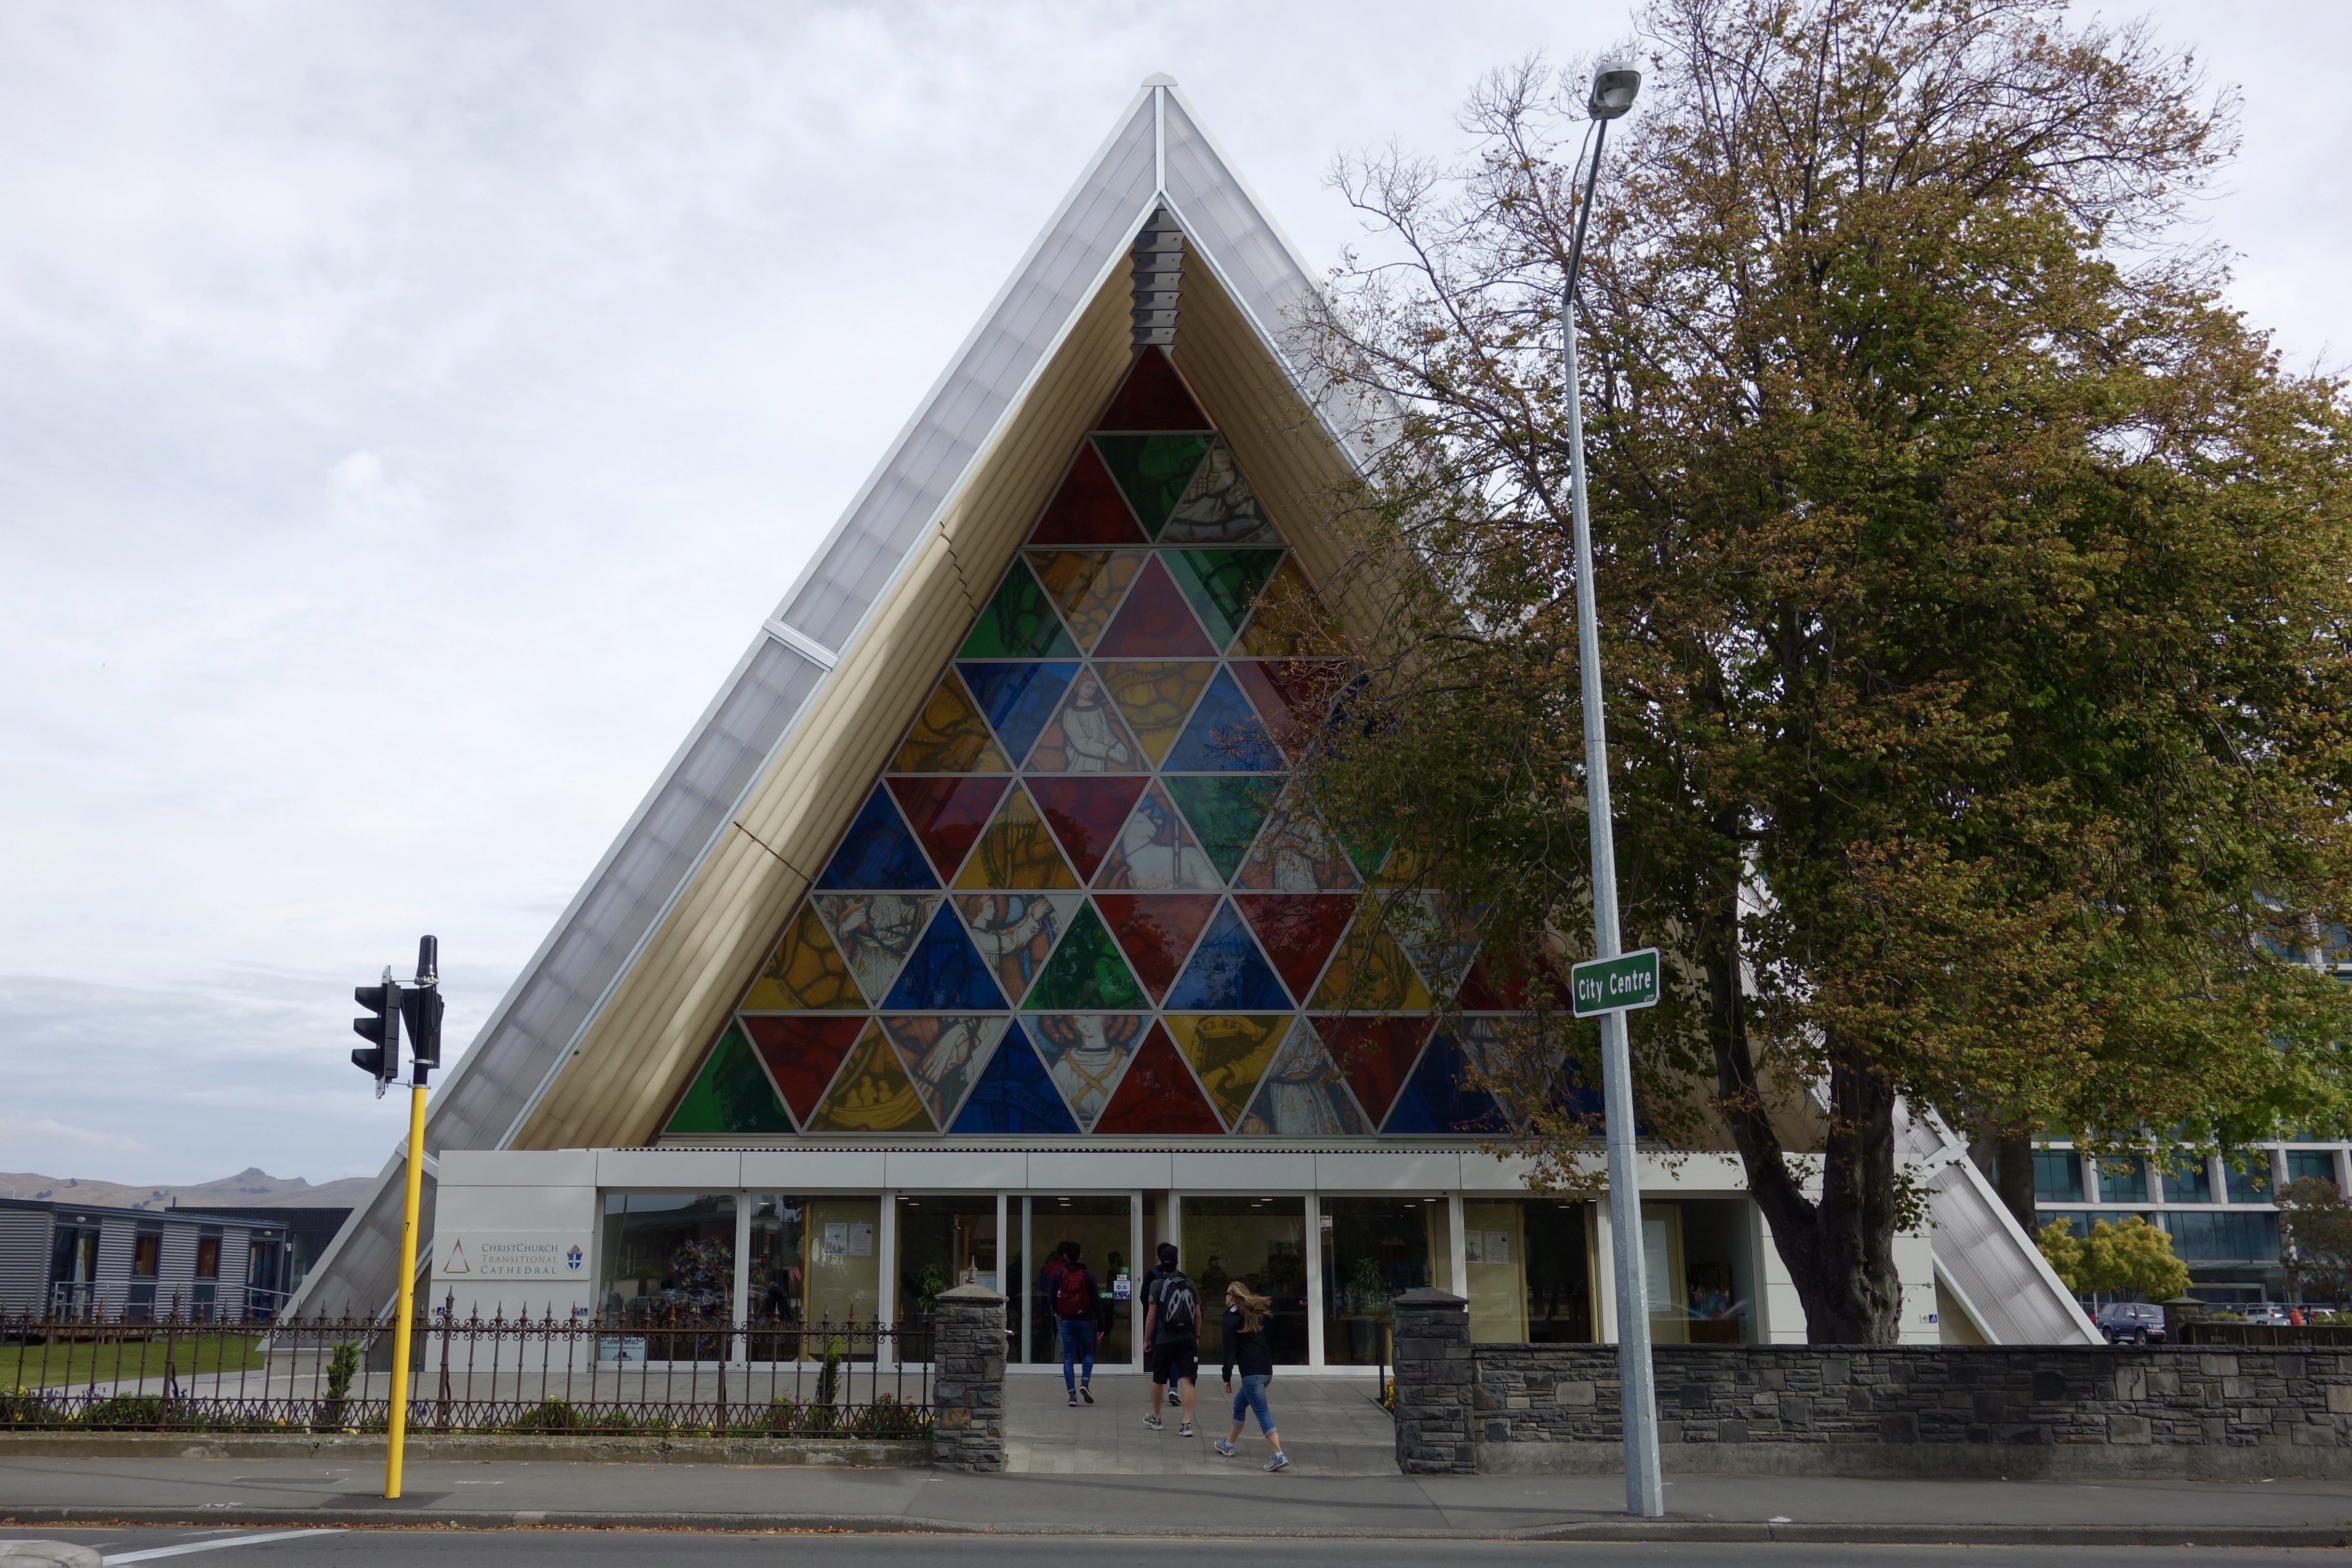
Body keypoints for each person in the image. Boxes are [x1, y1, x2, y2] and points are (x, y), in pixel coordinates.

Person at [1215, 1280, 1286, 1471]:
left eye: (1227, 1293)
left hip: (1252, 1375)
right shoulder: (1252, 1314)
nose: (1225, 1296)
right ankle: (1228, 1445)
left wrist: (1226, 1376)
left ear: (1232, 1297)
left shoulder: (1231, 1318)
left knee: (1262, 1413)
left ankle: (1278, 1455)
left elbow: (1229, 1350)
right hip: (1266, 1371)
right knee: (1239, 1405)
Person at [1139, 1243, 1201, 1437]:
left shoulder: (1156, 1284)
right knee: (1187, 1380)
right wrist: (1196, 1336)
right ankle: (1187, 1423)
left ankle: (1157, 1418)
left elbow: (1152, 1316)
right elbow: (1198, 1315)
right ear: (1177, 1261)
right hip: (1187, 1339)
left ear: (1161, 1261)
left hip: (1164, 1339)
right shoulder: (1189, 1283)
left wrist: (1147, 1339)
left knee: (1159, 1379)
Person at [1040, 1241, 1100, 1407]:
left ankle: (1072, 1396)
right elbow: (1096, 1301)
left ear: (1065, 1256)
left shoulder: (1058, 1274)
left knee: (1068, 1358)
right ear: (1080, 1255)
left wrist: (1061, 1312)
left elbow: (1052, 1298)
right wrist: (1100, 1323)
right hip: (1085, 1320)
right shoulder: (1087, 1275)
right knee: (1087, 1353)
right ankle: (1085, 1382)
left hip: (1066, 1320)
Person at [1136, 1242, 1179, 1424]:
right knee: (1175, 1357)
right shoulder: (1181, 1278)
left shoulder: (1151, 1276)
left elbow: (1143, 1298)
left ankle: (1158, 1390)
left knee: (1160, 1357)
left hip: (1158, 1323)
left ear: (1158, 1257)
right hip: (1177, 1325)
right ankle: (1174, 1389)